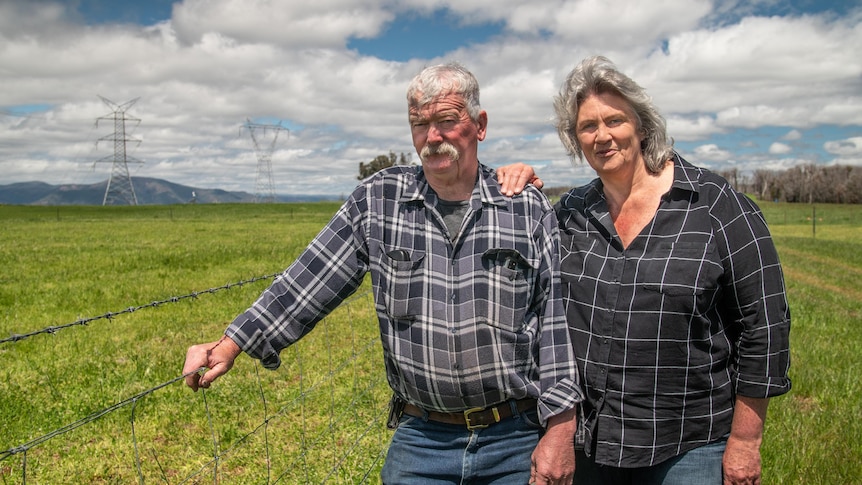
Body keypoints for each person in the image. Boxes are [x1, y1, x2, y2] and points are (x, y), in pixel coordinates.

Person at [183, 62, 583, 485]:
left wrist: (560, 430)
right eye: (420, 124)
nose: (433, 137)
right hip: (422, 442)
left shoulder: (525, 208)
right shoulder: (378, 201)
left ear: (479, 125)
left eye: (447, 121)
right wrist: (232, 343)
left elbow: (554, 327)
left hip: (514, 437)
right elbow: (309, 279)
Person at [497, 56, 791, 484]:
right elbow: (529, 292)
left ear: (641, 124)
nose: (602, 136)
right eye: (587, 127)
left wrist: (746, 442)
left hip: (688, 444)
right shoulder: (570, 214)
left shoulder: (716, 206)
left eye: (614, 120)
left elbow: (765, 326)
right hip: (590, 442)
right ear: (574, 139)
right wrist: (510, 184)